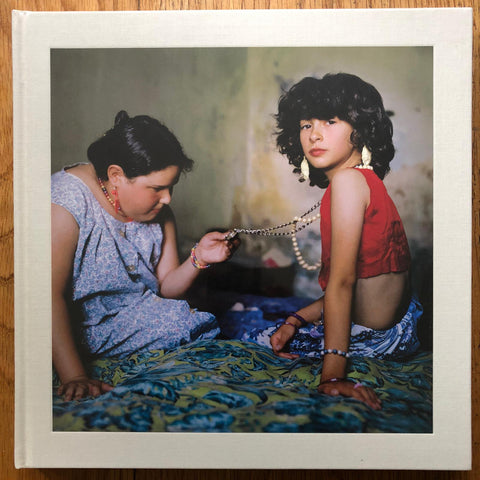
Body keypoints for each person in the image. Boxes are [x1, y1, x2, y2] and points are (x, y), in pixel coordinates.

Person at [245, 73, 422, 410]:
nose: (314, 134)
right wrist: (297, 319)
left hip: (376, 341)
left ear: (361, 130)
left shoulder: (347, 184)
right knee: (282, 320)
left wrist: (332, 376)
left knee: (250, 334)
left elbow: (342, 283)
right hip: (401, 332)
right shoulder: (363, 181)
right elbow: (363, 287)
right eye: (305, 124)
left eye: (330, 121)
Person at [52, 111, 239, 401]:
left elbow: (166, 288)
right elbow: (46, 296)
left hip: (128, 318)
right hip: (72, 322)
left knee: (189, 321)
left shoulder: (159, 211)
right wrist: (75, 376)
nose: (168, 198)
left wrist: (199, 257)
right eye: (157, 188)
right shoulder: (65, 202)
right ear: (116, 176)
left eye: (171, 186)